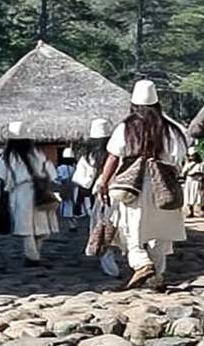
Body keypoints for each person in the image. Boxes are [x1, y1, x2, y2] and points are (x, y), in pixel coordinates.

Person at [97, 80, 188, 290]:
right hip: (164, 183)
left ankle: (142, 263)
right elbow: (178, 157)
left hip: (134, 186)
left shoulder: (126, 127)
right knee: (162, 232)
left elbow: (113, 157)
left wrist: (104, 182)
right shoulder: (171, 128)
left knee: (131, 230)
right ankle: (156, 277)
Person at [0, 121, 60, 267]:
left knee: (29, 228)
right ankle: (33, 256)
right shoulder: (37, 154)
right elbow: (52, 174)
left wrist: (1, 197)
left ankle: (32, 256)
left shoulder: (7, 157)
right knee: (40, 227)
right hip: (36, 191)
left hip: (21, 194)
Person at [76, 118, 119, 278]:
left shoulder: (89, 157)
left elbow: (83, 183)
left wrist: (79, 202)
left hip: (102, 196)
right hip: (122, 194)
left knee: (102, 229)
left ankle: (110, 268)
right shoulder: (119, 153)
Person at [182, 146, 204, 218]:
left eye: (193, 155)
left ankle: (202, 211)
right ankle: (191, 212)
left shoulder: (201, 163)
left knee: (200, 197)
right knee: (189, 196)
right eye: (191, 156)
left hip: (198, 181)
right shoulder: (188, 164)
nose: (192, 157)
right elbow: (183, 172)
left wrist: (202, 175)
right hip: (190, 181)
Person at [56, 147, 79, 231]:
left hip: (66, 189)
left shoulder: (60, 168)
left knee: (67, 208)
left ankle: (72, 225)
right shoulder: (75, 168)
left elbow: (57, 179)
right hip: (74, 189)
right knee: (71, 206)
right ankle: (72, 224)